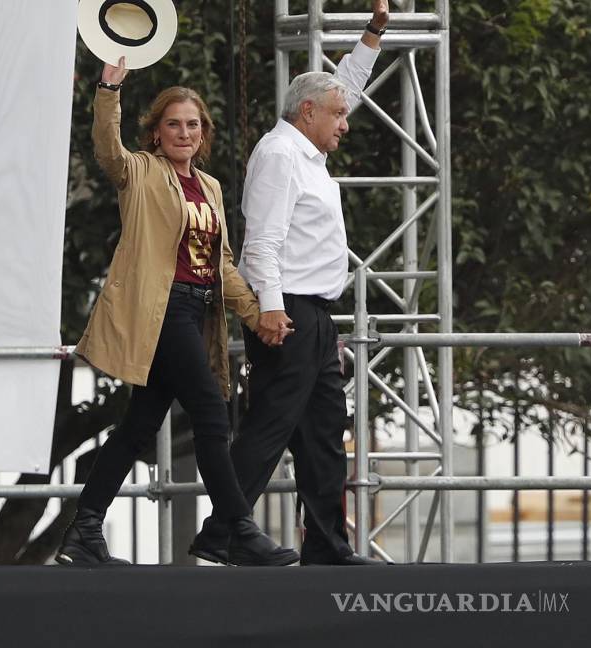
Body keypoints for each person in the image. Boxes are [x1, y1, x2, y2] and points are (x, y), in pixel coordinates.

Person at [56, 55, 297, 567]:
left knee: (138, 427)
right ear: (157, 131)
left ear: (203, 132)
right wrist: (108, 90)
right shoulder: (141, 172)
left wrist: (256, 314)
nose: (184, 133)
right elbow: (108, 151)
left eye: (192, 125)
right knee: (212, 415)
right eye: (173, 124)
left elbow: (223, 264)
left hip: (195, 314)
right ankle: (238, 530)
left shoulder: (208, 188)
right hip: (159, 312)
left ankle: (84, 530)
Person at [188, 0, 392, 566]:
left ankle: (326, 543)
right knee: (272, 423)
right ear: (308, 112)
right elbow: (261, 244)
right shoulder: (280, 155)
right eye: (338, 117)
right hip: (290, 311)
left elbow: (344, 84)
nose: (346, 124)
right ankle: (225, 530)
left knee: (325, 430)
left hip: (316, 315)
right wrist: (270, 310)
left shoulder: (307, 149)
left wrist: (373, 31)